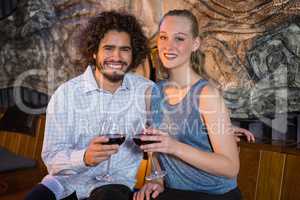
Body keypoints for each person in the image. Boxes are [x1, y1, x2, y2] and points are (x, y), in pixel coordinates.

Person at [26, 11, 152, 200]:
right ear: (94, 52)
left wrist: (156, 179)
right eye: (108, 48)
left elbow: (159, 141)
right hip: (65, 182)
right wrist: (84, 157)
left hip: (115, 183)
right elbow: (51, 158)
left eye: (124, 49)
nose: (116, 57)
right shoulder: (66, 94)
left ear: (133, 54)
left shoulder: (146, 91)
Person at [134, 9, 245, 200]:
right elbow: (154, 151)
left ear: (195, 44)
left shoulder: (206, 94)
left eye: (179, 38)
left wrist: (173, 146)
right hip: (173, 192)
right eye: (163, 37)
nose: (169, 46)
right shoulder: (152, 93)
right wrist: (157, 180)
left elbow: (231, 167)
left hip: (214, 194)